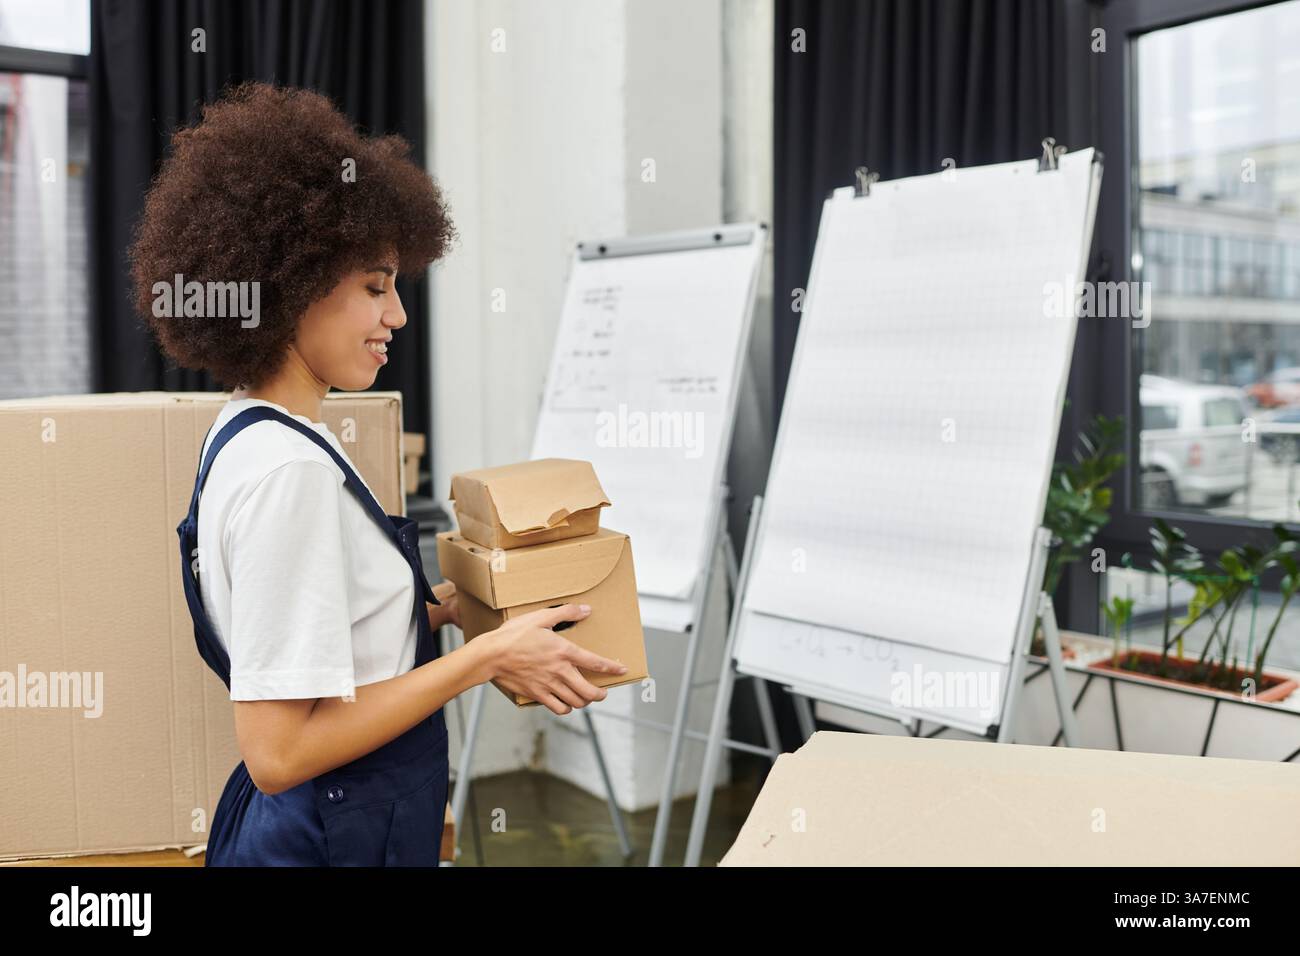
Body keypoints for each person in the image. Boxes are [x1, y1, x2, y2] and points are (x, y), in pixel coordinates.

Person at [130, 82, 627, 866]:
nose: (396, 315)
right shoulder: (286, 472)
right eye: (374, 287)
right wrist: (485, 659)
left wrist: (448, 613)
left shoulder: (247, 431)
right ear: (289, 284)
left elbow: (322, 638)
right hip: (329, 832)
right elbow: (280, 753)